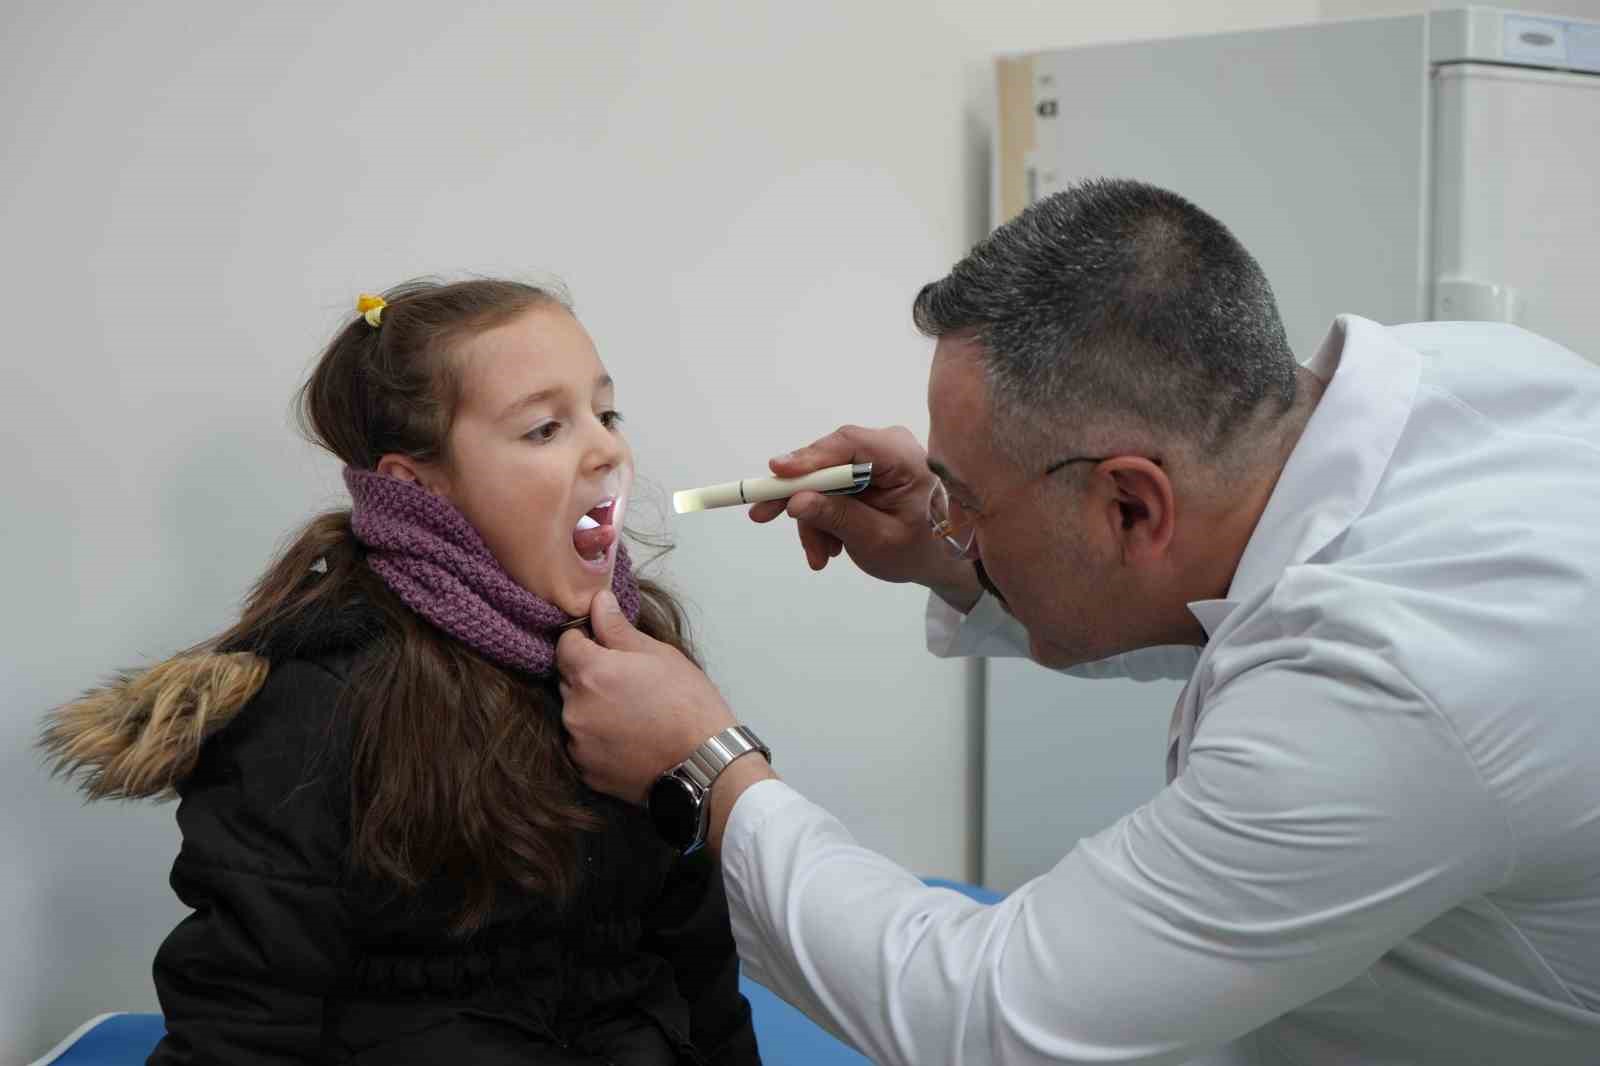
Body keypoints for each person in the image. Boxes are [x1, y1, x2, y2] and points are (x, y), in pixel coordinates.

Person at [555, 180, 1600, 1063]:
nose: (951, 518)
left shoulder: (1397, 684)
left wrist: (708, 766)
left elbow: (985, 1017)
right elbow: (1249, 607)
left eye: (969, 499)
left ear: (1132, 504)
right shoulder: (1458, 379)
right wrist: (947, 545)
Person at [42, 279, 761, 1066]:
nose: (608, 449)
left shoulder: (643, 662)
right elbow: (244, 1026)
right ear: (416, 487)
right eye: (545, 428)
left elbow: (700, 967)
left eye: (606, 413)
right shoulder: (317, 704)